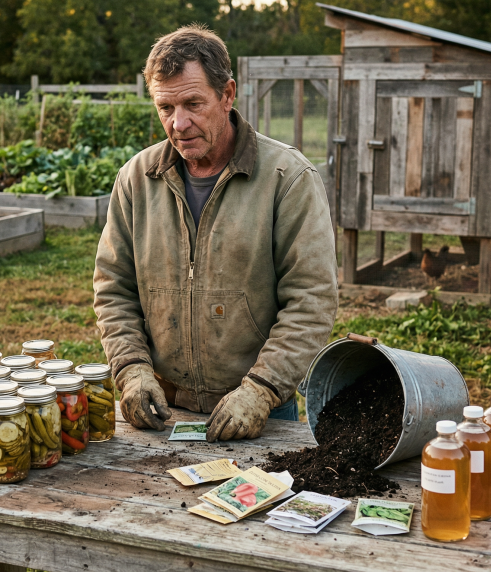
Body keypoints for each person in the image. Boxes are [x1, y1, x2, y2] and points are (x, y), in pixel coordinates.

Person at [93, 24, 338, 442]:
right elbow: (114, 287)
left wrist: (260, 391)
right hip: (161, 411)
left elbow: (311, 299)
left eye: (192, 103)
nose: (179, 122)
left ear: (227, 94)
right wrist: (131, 369)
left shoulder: (287, 178)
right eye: (165, 108)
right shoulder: (137, 178)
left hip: (260, 413)